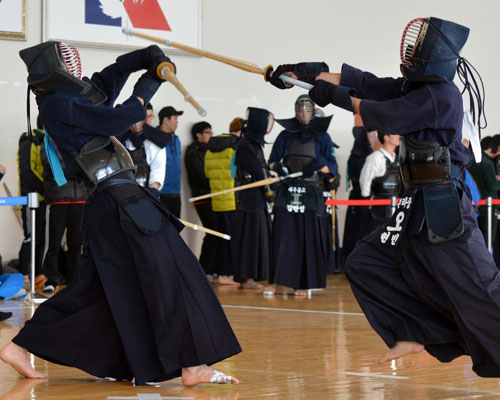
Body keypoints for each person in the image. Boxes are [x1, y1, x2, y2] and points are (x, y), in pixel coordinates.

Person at [268, 17, 500, 375]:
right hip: (416, 203)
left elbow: (385, 113)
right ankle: (411, 331)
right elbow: (365, 83)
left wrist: (333, 96)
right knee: (365, 263)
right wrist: (304, 73)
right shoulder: (413, 89)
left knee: (479, 288)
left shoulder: (441, 96)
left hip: (444, 205)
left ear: (433, 55)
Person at [0, 41, 240, 385]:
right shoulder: (60, 104)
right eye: (69, 63)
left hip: (115, 200)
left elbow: (111, 75)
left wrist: (149, 58)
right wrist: (148, 86)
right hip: (118, 199)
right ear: (55, 70)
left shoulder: (72, 98)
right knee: (173, 269)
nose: (77, 68)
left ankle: (20, 346)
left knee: (97, 290)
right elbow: (119, 117)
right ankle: (192, 364)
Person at [268, 94, 338, 296]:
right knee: (282, 235)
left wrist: (317, 165)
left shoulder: (323, 137)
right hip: (288, 189)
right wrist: (280, 168)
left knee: (308, 236)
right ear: (295, 111)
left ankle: (305, 283)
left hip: (311, 191)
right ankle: (276, 280)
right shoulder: (285, 135)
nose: (304, 113)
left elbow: (332, 167)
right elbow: (271, 161)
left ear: (313, 111)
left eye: (308, 109)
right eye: (300, 109)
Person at [233, 107, 274, 290]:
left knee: (260, 236)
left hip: (258, 198)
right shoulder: (245, 144)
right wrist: (270, 178)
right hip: (249, 199)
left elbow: (262, 169)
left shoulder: (254, 144)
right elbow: (258, 171)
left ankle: (254, 276)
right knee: (250, 237)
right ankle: (247, 278)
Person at [40, 137, 88, 291]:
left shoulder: (80, 139)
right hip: (58, 198)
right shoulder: (48, 142)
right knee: (53, 243)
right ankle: (51, 279)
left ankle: (73, 279)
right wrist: (76, 168)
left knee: (77, 243)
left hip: (80, 198)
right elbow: (52, 165)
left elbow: (89, 165)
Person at [204, 118, 244, 285]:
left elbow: (207, 172)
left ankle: (222, 273)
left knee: (222, 238)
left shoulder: (211, 148)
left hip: (217, 198)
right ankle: (227, 275)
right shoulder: (236, 147)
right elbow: (239, 173)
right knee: (233, 239)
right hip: (232, 199)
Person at [16, 117, 47, 291]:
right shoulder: (28, 141)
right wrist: (46, 189)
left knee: (42, 238)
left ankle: (37, 273)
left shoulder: (47, 142)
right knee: (31, 236)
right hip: (29, 198)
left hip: (43, 199)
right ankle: (23, 274)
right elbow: (28, 173)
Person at [184, 121, 218, 277]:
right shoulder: (193, 152)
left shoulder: (211, 150)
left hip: (214, 196)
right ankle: (204, 269)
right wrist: (217, 181)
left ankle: (213, 268)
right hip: (202, 196)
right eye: (207, 132)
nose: (210, 135)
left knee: (217, 232)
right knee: (212, 232)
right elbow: (199, 175)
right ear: (198, 135)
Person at [116, 102, 169, 193]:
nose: (147, 120)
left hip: (146, 192)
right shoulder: (119, 138)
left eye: (150, 116)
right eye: (144, 117)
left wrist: (151, 194)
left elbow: (158, 171)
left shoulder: (156, 141)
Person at [341, 116, 373, 263]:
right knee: (358, 230)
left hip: (361, 197)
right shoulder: (359, 156)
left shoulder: (365, 154)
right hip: (360, 197)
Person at [358, 131, 401, 235]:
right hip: (379, 208)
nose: (398, 136)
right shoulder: (375, 158)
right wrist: (366, 199)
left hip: (396, 206)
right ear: (386, 137)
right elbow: (365, 181)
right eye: (395, 134)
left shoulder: (397, 158)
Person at [467, 136, 500, 245]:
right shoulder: (487, 163)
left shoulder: (469, 161)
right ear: (491, 149)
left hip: (475, 206)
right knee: (489, 238)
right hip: (488, 206)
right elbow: (492, 185)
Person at [158, 106, 183, 217]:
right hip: (160, 193)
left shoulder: (176, 140)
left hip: (176, 193)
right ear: (166, 120)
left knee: (176, 228)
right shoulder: (154, 139)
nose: (177, 122)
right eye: (175, 119)